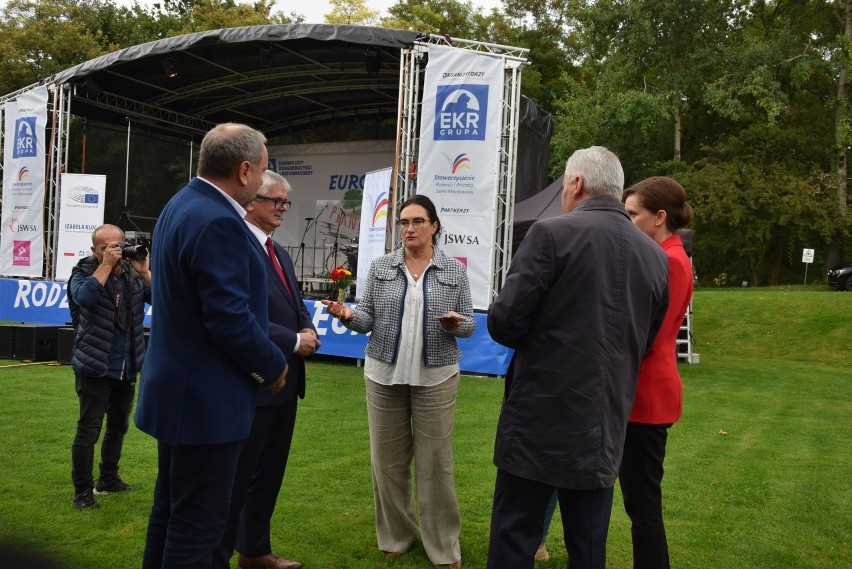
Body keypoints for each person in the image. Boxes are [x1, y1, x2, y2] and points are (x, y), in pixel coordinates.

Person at [485, 146, 670, 569]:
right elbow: (646, 341)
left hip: (539, 421)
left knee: (515, 538)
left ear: (576, 183)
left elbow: (505, 323)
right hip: (603, 424)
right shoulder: (655, 257)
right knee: (588, 548)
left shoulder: (551, 234)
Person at [135, 123, 289, 569]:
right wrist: (273, 364)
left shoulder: (181, 204)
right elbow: (228, 319)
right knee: (197, 532)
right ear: (244, 171)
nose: (263, 181)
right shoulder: (219, 220)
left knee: (169, 517)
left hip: (180, 394)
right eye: (262, 172)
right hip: (205, 402)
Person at [322, 194, 473, 569]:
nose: (409, 229)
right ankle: (396, 536)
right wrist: (346, 315)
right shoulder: (380, 267)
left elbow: (469, 324)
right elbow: (367, 320)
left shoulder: (454, 270)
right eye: (403, 223)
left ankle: (442, 545)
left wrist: (457, 323)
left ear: (435, 226)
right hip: (383, 375)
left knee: (436, 464)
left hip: (436, 376)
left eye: (417, 221)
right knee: (387, 463)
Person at [215, 171, 321, 569]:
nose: (281, 208)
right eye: (274, 201)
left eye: (284, 202)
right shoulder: (237, 245)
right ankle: (219, 555)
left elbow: (296, 305)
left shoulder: (280, 251)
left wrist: (307, 326)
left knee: (268, 476)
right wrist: (294, 340)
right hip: (255, 381)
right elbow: (242, 313)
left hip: (286, 383)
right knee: (238, 479)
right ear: (250, 201)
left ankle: (255, 550)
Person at [620, 176, 694, 569]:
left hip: (647, 394)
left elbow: (652, 333)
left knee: (642, 502)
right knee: (639, 499)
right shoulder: (665, 255)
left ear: (660, 217)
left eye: (633, 215)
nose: (626, 221)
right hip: (643, 391)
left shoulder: (669, 260)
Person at [68, 224, 151, 510]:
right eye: (106, 247)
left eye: (118, 245)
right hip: (94, 364)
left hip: (125, 364)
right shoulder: (83, 271)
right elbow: (84, 298)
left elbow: (166, 301)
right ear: (95, 250)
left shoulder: (132, 274)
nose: (115, 251)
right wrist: (104, 265)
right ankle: (82, 492)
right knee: (88, 430)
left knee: (118, 427)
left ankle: (108, 479)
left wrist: (144, 272)